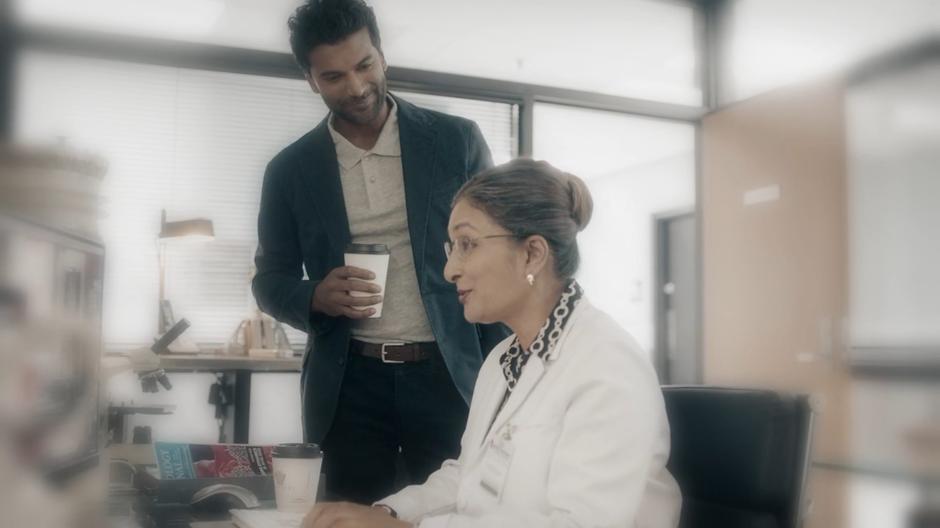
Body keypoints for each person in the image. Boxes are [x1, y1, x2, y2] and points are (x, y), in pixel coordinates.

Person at [302, 158, 681, 528]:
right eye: (452, 248)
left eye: (467, 243)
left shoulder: (607, 365)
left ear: (532, 253)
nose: (450, 270)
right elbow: (468, 477)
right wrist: (388, 513)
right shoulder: (504, 359)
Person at [252, 0, 508, 504]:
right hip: (350, 386)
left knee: (453, 512)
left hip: (448, 373)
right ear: (310, 80)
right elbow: (269, 279)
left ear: (382, 55)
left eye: (364, 65)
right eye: (333, 76)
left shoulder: (457, 142)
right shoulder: (289, 170)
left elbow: (496, 252)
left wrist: (507, 370)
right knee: (353, 515)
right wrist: (314, 296)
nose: (356, 87)